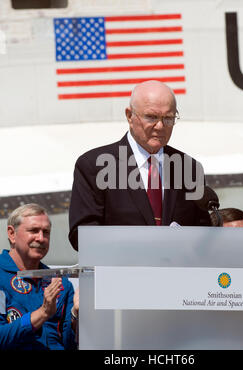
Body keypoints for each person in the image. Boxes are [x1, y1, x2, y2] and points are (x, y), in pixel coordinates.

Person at [69, 80, 211, 250]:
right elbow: (82, 236)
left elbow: (204, 236)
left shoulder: (188, 169)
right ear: (130, 116)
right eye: (151, 117)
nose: (160, 126)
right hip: (119, 273)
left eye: (168, 118)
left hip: (175, 273)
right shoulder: (95, 166)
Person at [0, 203, 79, 350]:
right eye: (34, 231)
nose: (41, 238)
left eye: (46, 232)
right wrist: (43, 313)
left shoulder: (61, 283)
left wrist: (76, 314)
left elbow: (69, 344)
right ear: (12, 234)